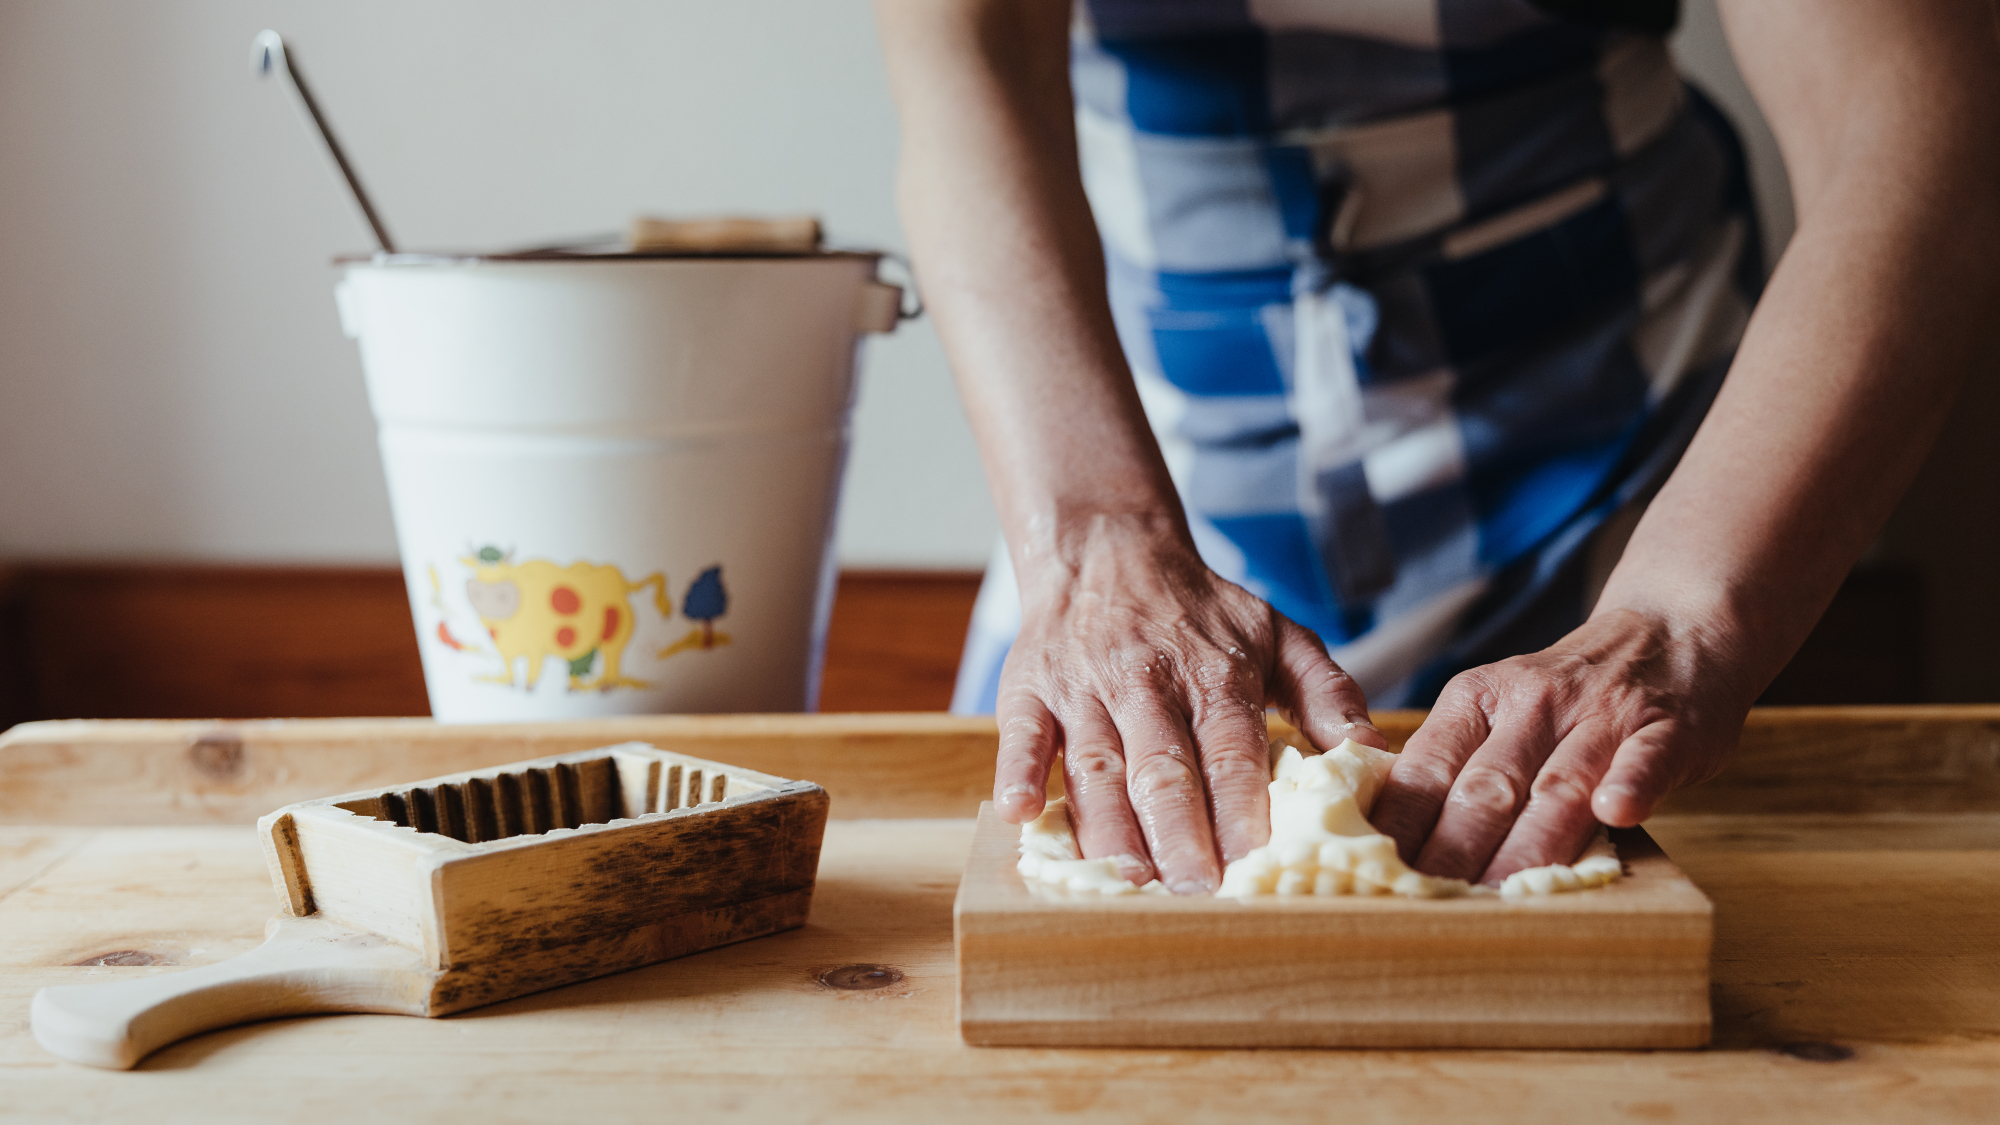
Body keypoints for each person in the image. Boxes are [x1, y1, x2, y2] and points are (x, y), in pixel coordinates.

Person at [873, 0, 2000, 893]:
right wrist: (1094, 538)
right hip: (1137, 429)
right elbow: (964, 70)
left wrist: (1681, 613)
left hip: (1634, 450)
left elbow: (1915, 131)